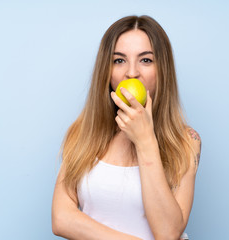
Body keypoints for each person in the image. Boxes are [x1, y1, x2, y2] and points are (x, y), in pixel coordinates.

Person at [51, 15, 201, 240]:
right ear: (107, 71)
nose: (132, 73)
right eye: (119, 60)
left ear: (163, 70)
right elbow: (61, 218)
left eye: (146, 60)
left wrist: (145, 140)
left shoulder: (186, 141)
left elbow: (169, 233)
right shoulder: (82, 133)